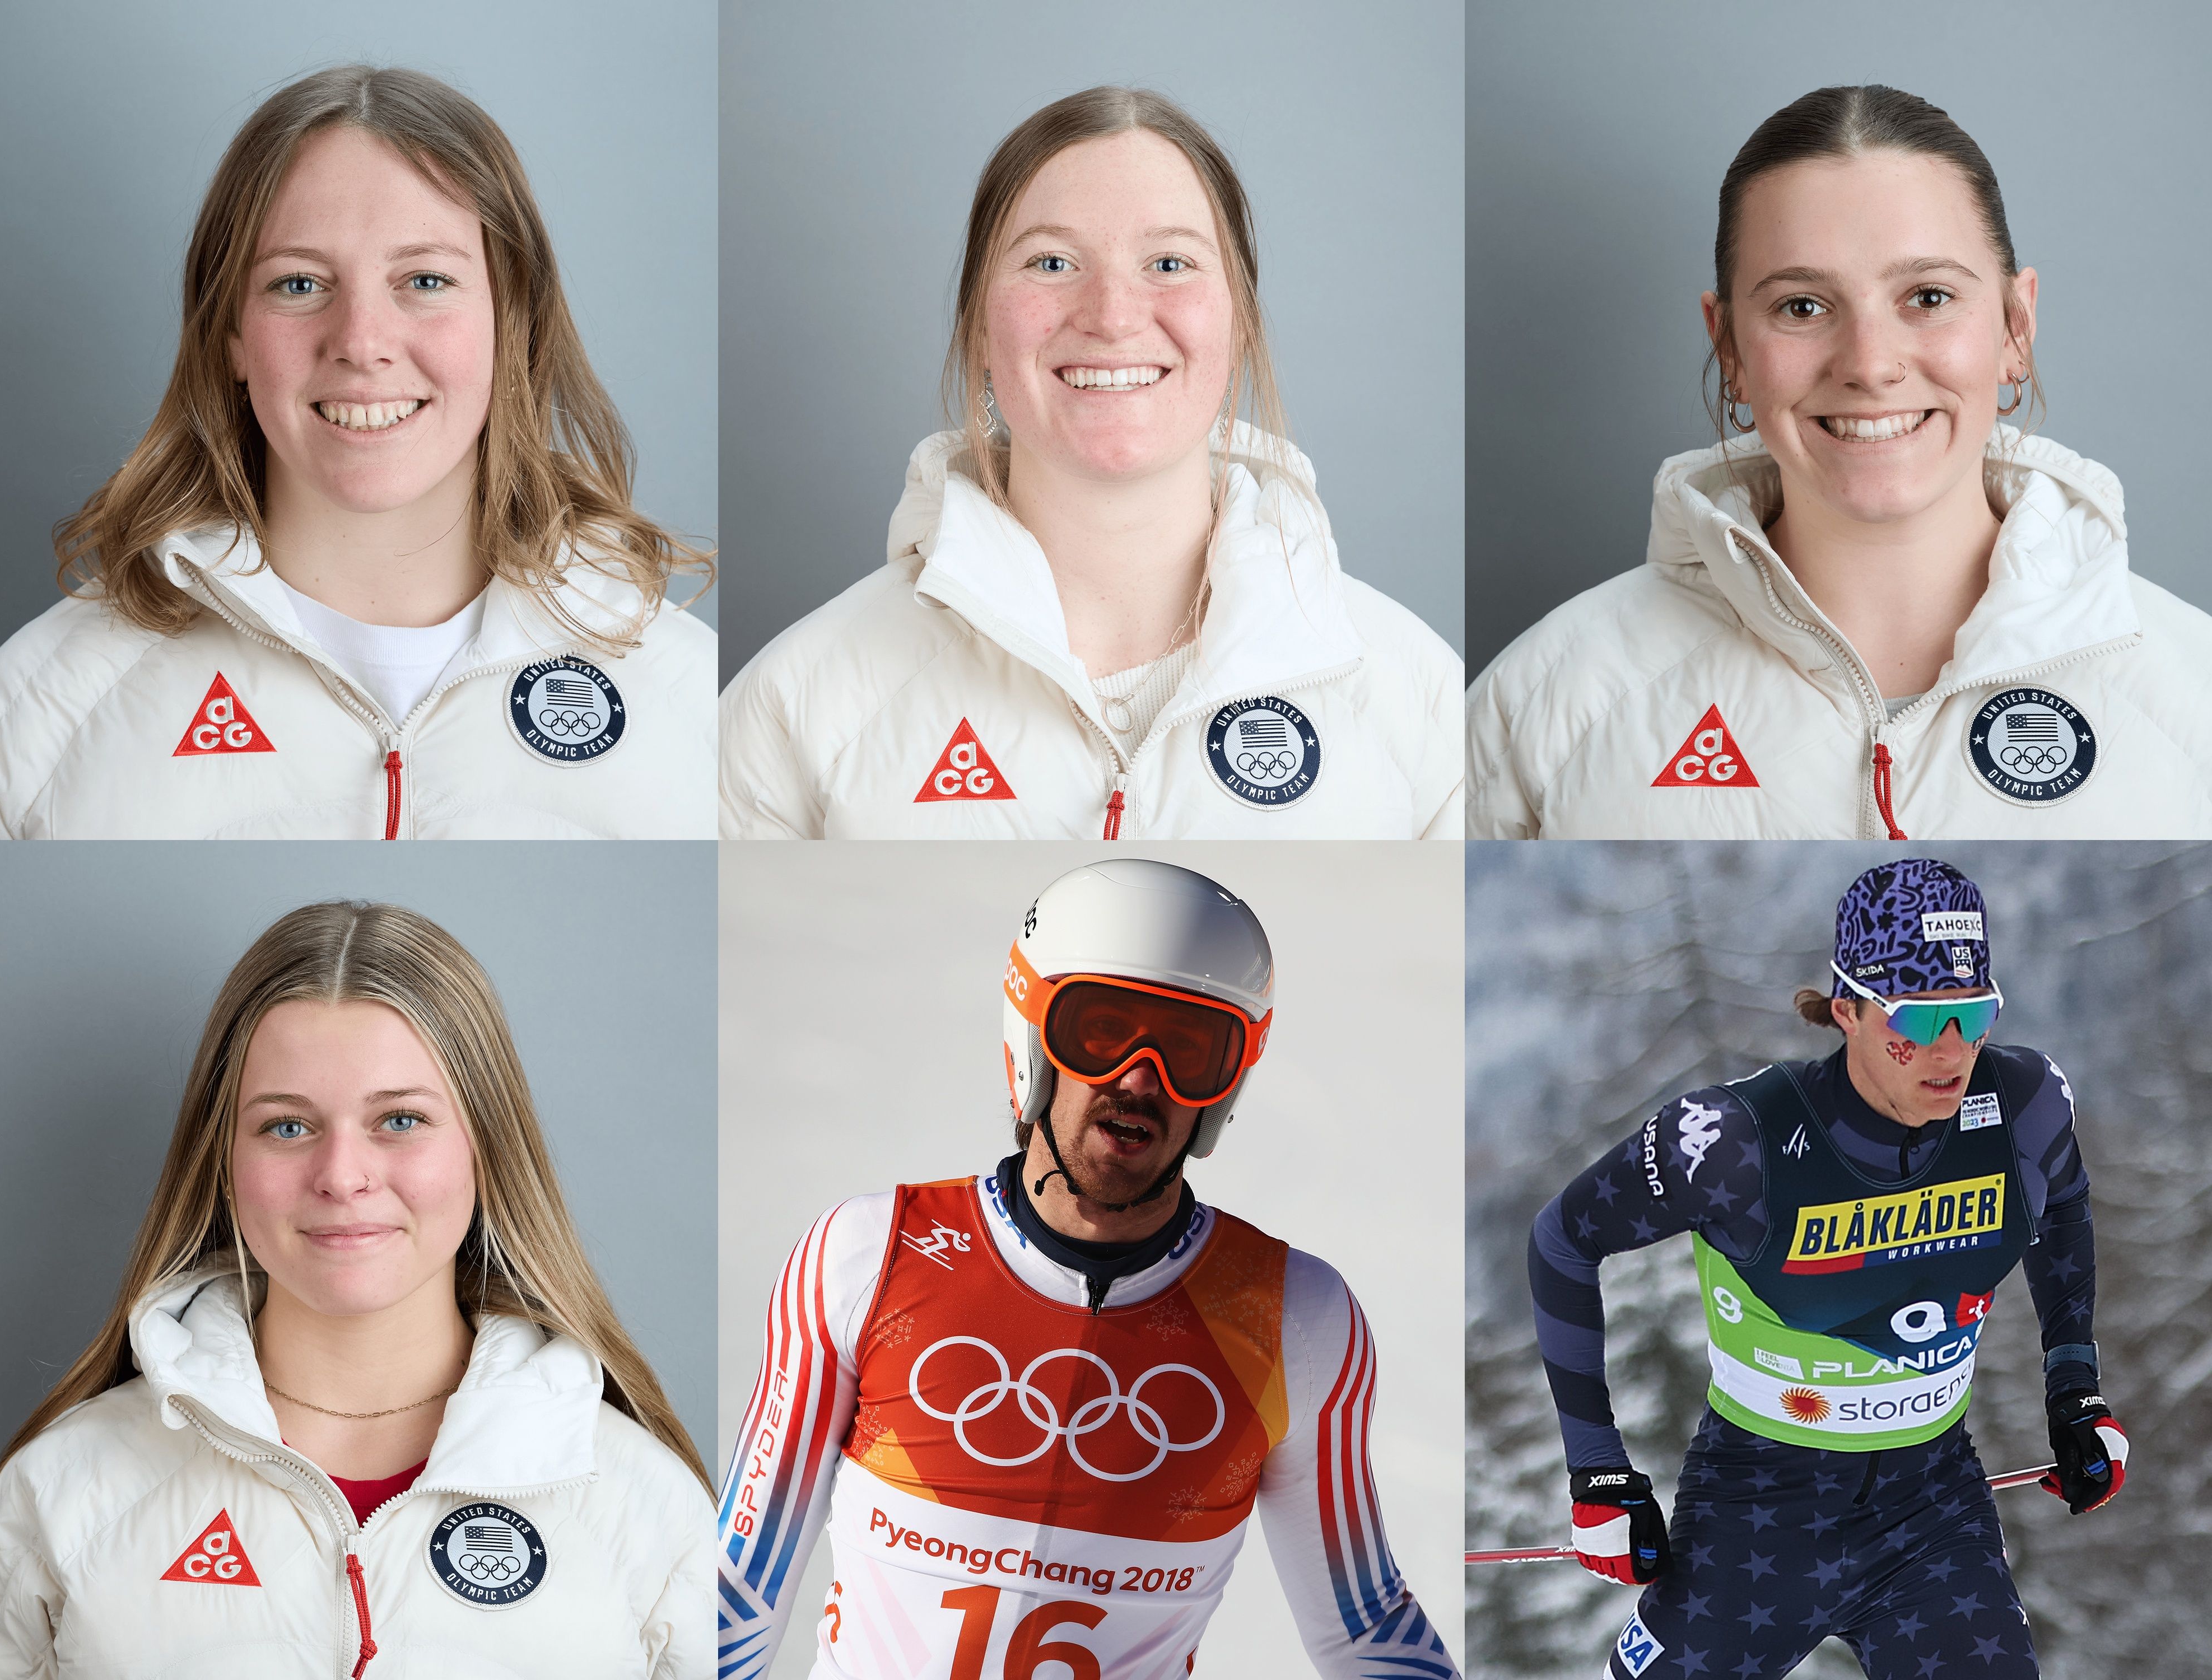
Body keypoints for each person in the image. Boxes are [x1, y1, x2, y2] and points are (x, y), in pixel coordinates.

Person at [718, 859, 1456, 1677]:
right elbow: (739, 1587)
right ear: (1031, 1040)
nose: (1142, 1078)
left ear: (1226, 1085)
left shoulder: (1292, 1318)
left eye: (1190, 1048)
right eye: (1101, 1031)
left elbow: (1366, 1627)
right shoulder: (870, 1256)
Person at [0, 66, 716, 839]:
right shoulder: (35, 716)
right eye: (298, 285)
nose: (362, 343)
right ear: (230, 334)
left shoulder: (691, 703)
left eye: (425, 279)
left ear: (515, 325)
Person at [0, 902, 715, 1676]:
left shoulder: (644, 1504)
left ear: (486, 1149)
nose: (341, 1177)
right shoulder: (59, 1494)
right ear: (222, 1158)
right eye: (287, 1127)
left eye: (399, 1120)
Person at [1463, 85, 2212, 839]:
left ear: (2016, 327)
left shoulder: (2190, 697)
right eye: (1802, 307)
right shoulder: (1547, 699)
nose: (1870, 364)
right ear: (1729, 348)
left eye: (1927, 295)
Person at [717, 86, 1463, 839]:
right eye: (1052, 262)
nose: (1112, 315)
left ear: (1240, 326)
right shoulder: (801, 703)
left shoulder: (1416, 694)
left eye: (1170, 262)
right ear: (979, 328)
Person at [1528, 859, 2127, 1679]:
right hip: (1759, 1513)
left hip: (1931, 1509)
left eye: (1974, 1013)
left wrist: (2075, 1387)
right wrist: (1597, 1468)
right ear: (1846, 1009)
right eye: (1917, 1022)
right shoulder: (1732, 1141)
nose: (1951, 1053)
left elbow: (2064, 1206)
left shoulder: (2025, 1102)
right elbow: (1563, 1241)